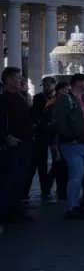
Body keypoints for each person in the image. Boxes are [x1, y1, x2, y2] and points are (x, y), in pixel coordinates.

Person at [50, 74, 84, 220]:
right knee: (76, 176)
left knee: (79, 175)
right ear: (77, 83)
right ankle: (72, 207)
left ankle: (76, 203)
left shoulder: (83, 98)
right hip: (73, 144)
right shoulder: (65, 99)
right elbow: (60, 121)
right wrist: (71, 137)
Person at [0, 67, 34, 223]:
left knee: (21, 178)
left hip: (26, 143)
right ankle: (5, 212)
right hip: (12, 144)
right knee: (9, 179)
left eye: (20, 77)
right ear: (8, 80)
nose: (20, 79)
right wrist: (6, 137)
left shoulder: (21, 97)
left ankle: (15, 208)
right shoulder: (3, 99)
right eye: (17, 77)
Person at [25, 76, 58, 204]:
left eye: (48, 85)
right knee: (38, 164)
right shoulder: (38, 97)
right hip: (41, 135)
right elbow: (34, 114)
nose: (46, 87)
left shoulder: (58, 99)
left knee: (57, 163)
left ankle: (48, 188)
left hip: (54, 134)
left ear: (54, 85)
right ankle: (36, 191)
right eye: (44, 85)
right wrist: (40, 124)